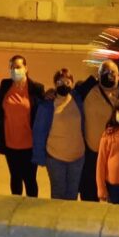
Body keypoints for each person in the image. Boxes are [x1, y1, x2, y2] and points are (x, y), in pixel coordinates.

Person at [73, 60, 119, 202]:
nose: (108, 75)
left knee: (118, 199)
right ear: (98, 75)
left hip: (118, 157)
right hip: (93, 154)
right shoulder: (86, 89)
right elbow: (66, 97)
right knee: (89, 195)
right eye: (104, 72)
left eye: (112, 72)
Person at [32, 68, 86, 200]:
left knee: (72, 194)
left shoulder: (78, 99)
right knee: (58, 194)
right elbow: (38, 132)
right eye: (60, 82)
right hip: (56, 159)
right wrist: (39, 156)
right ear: (55, 84)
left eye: (67, 81)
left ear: (72, 84)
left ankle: (68, 221)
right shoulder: (47, 105)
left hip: (77, 158)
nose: (64, 84)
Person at [0, 55, 45, 197]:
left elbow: (43, 112)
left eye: (18, 67)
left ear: (26, 68)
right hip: (10, 144)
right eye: (12, 67)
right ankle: (15, 208)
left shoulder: (36, 88)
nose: (14, 70)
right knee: (15, 178)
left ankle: (30, 212)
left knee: (30, 180)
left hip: (29, 145)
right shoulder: (5, 85)